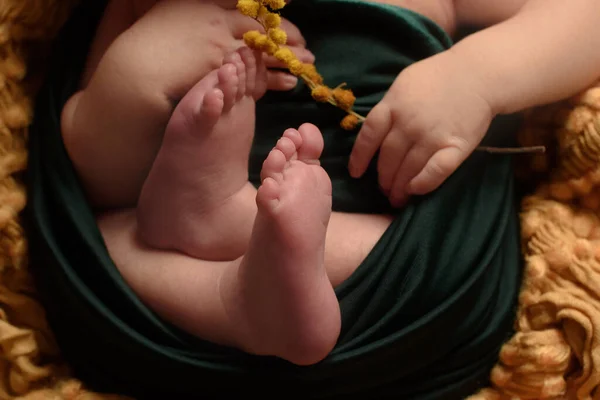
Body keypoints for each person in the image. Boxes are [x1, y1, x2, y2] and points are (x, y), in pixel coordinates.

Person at [58, 0, 600, 367]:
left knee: (451, 248)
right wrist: (134, 73)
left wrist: (480, 76)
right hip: (177, 296)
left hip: (399, 251)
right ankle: (234, 295)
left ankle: (234, 232)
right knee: (100, 236)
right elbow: (100, 176)